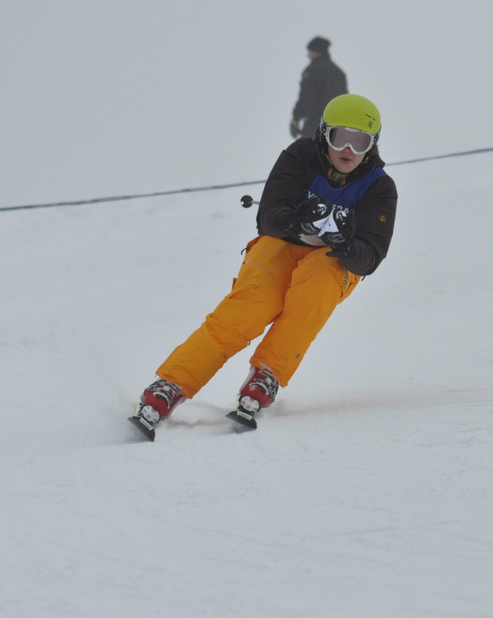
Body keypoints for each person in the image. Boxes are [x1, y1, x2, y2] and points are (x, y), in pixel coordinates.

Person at [129, 94, 397, 439]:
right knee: (250, 306)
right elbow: (268, 216)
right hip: (284, 243)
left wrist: (347, 244)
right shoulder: (301, 155)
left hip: (332, 260)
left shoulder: (379, 187)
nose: (347, 149)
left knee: (312, 293)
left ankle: (267, 374)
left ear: (372, 145)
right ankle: (170, 384)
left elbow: (371, 256)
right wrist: (296, 220)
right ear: (323, 134)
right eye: (339, 137)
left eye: (359, 142)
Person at [290, 36, 348, 139]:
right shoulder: (339, 73)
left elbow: (307, 97)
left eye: (310, 51)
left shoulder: (313, 70)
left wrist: (296, 117)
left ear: (316, 52)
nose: (308, 55)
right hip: (338, 127)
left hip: (316, 124)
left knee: (312, 148)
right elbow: (345, 100)